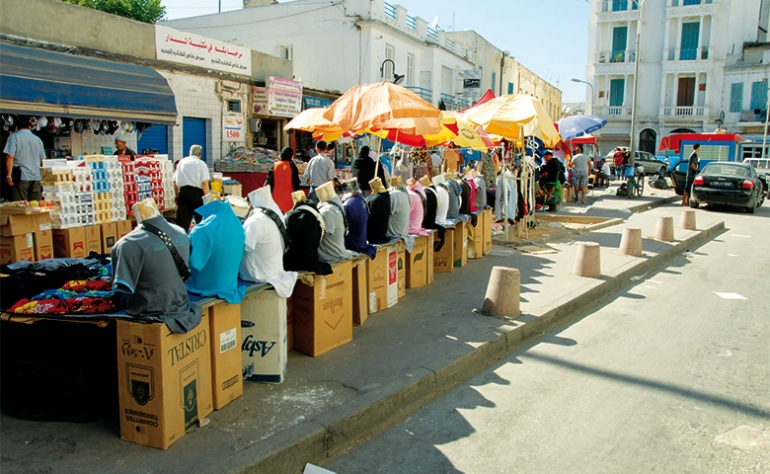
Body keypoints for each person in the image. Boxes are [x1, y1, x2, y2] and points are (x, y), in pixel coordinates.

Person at [4, 116, 45, 202]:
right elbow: (43, 160)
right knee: (36, 205)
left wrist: (9, 176)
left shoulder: (13, 137)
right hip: (36, 176)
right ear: (29, 126)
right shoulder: (38, 140)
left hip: (21, 177)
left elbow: (10, 157)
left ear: (17, 126)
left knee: (22, 206)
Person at [173, 144, 210, 232]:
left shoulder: (181, 162)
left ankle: (181, 242)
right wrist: (207, 197)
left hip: (183, 193)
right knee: (201, 222)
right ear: (200, 154)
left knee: (182, 223)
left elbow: (175, 181)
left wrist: (177, 195)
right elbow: (204, 183)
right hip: (197, 194)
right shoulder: (201, 164)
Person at [265, 146, 301, 213]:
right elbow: (296, 183)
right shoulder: (292, 166)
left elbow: (269, 181)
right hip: (289, 199)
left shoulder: (275, 165)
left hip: (275, 198)